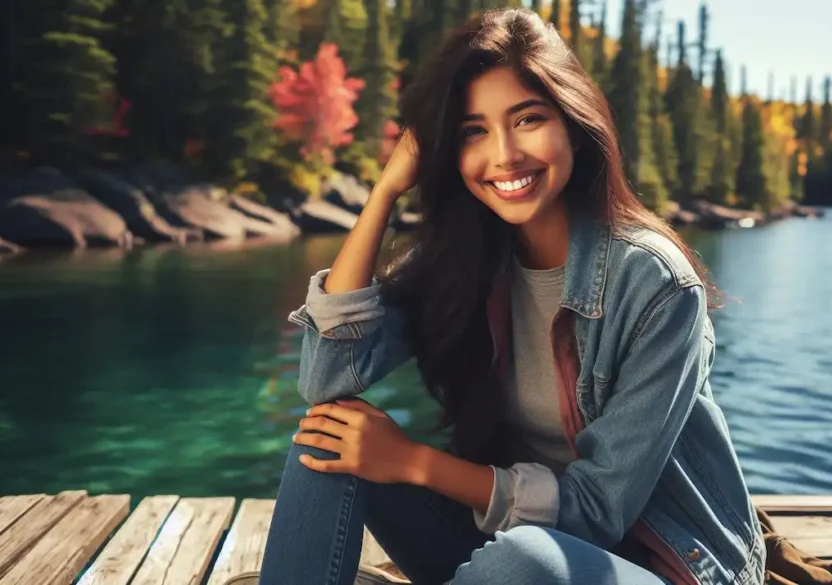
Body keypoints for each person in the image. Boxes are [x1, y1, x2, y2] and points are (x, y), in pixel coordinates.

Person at [248, 8, 765, 585]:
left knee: (524, 557)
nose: (504, 155)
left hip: (661, 566)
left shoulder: (655, 284)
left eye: (527, 119)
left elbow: (595, 514)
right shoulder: (466, 257)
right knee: (327, 440)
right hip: (505, 551)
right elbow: (326, 378)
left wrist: (414, 462)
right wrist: (386, 190)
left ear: (573, 122)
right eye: (474, 130)